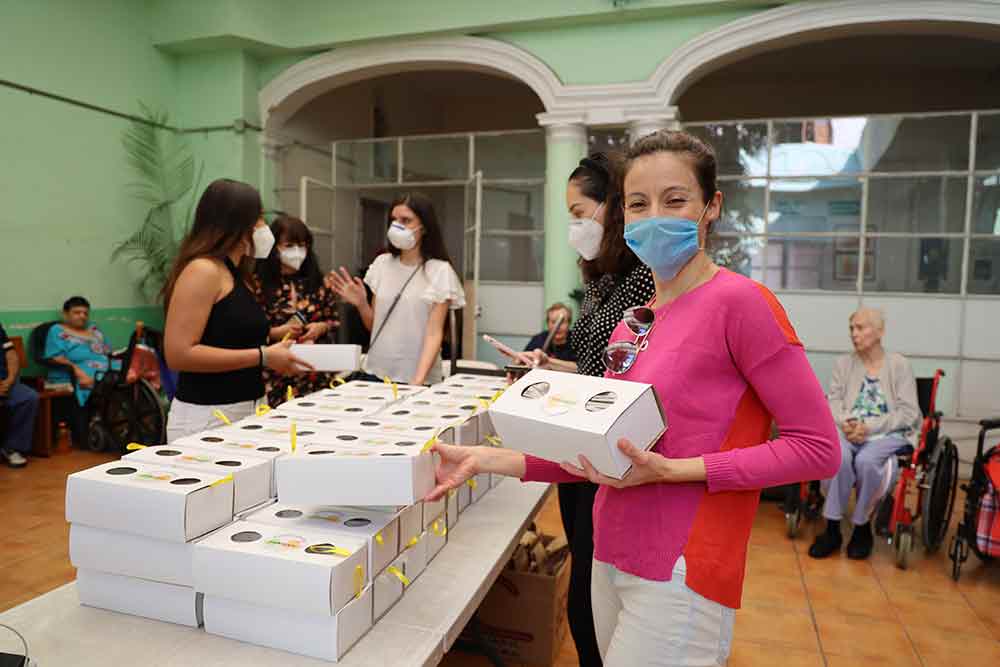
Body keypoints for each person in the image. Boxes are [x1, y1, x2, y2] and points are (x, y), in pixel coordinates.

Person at [427, 130, 839, 667]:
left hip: (681, 567)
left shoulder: (742, 304)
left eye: (675, 199)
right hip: (609, 551)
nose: (654, 216)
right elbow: (610, 452)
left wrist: (675, 471)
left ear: (711, 206)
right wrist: (489, 459)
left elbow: (818, 449)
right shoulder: (633, 322)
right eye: (638, 203)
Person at [513, 152, 656, 667]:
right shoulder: (599, 279)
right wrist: (553, 366)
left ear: (613, 207)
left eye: (580, 212)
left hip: (610, 451)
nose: (574, 226)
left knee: (593, 600)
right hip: (581, 446)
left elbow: (631, 379)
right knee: (585, 590)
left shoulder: (643, 281)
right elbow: (599, 367)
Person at [163, 179, 313, 441]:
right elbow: (179, 354)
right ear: (237, 224)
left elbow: (229, 335)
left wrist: (279, 336)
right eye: (260, 220)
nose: (265, 228)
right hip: (208, 415)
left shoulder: (237, 273)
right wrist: (263, 356)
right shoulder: (203, 270)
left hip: (249, 407)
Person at [809, 308, 920, 560]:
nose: (854, 334)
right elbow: (834, 401)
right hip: (848, 430)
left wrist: (869, 427)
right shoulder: (844, 363)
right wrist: (846, 423)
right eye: (852, 328)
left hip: (887, 433)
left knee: (867, 462)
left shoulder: (899, 365)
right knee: (838, 459)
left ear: (880, 332)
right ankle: (833, 528)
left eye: (860, 328)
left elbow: (909, 413)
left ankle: (861, 527)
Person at [327, 192, 464, 386]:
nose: (397, 226)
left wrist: (417, 381)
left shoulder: (440, 271)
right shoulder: (382, 264)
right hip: (376, 373)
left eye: (406, 220)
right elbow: (374, 325)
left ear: (424, 226)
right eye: (394, 220)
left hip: (418, 379)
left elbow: (434, 334)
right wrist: (361, 304)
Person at [255, 215, 340, 407]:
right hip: (273, 376)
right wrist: (277, 333)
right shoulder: (257, 284)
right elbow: (246, 332)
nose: (297, 252)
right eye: (289, 245)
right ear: (274, 247)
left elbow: (333, 320)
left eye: (302, 245)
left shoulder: (320, 283)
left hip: (314, 374)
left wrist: (321, 327)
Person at [44, 297, 111, 446]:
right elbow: (55, 356)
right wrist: (78, 372)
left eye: (85, 313)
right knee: (105, 381)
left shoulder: (94, 330)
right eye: (77, 312)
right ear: (65, 314)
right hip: (73, 372)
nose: (82, 316)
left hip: (104, 369)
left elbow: (107, 351)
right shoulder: (57, 331)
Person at [1, 322, 38, 468]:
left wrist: (9, 380)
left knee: (28, 397)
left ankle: (12, 447)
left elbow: (11, 355)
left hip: (5, 382)